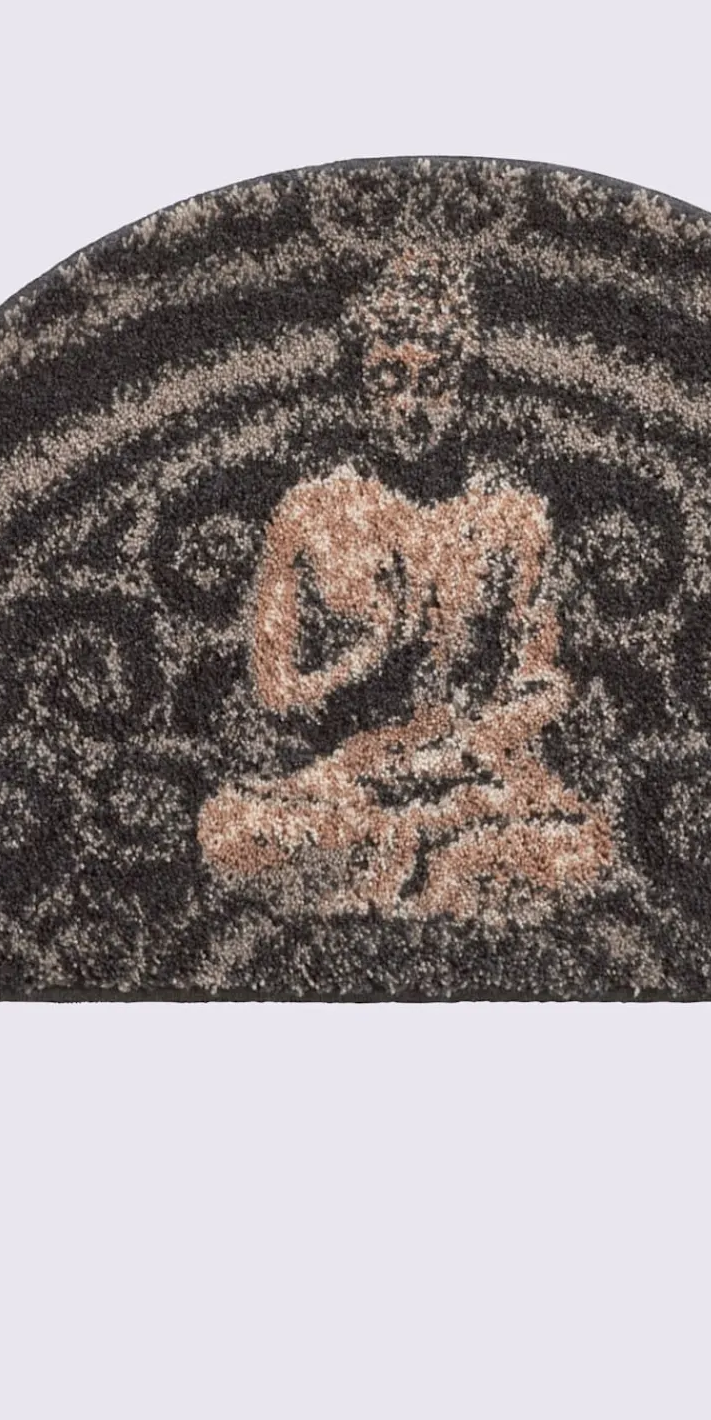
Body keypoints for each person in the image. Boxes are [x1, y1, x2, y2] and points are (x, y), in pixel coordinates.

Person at [196, 245, 612, 919]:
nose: (410, 404)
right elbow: (274, 692)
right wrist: (362, 662)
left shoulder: (513, 516)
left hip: (472, 776)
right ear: (358, 385)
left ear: (464, 386)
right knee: (233, 830)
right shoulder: (309, 512)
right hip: (351, 778)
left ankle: (411, 877)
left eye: (433, 381)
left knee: (576, 846)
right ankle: (433, 878)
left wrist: (468, 746)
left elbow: (544, 682)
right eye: (388, 378)